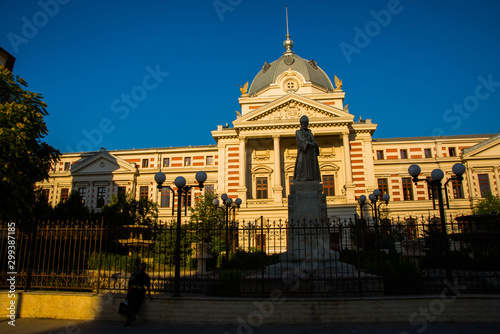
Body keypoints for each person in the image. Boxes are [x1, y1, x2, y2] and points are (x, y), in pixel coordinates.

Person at [294, 115, 321, 181]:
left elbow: (314, 140)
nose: (304, 125)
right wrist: (309, 143)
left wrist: (315, 144)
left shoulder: (309, 132)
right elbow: (301, 140)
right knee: (300, 163)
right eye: (303, 123)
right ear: (301, 124)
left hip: (310, 153)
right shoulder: (298, 132)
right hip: (303, 152)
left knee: (311, 167)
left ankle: (311, 178)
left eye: (305, 124)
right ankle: (299, 177)